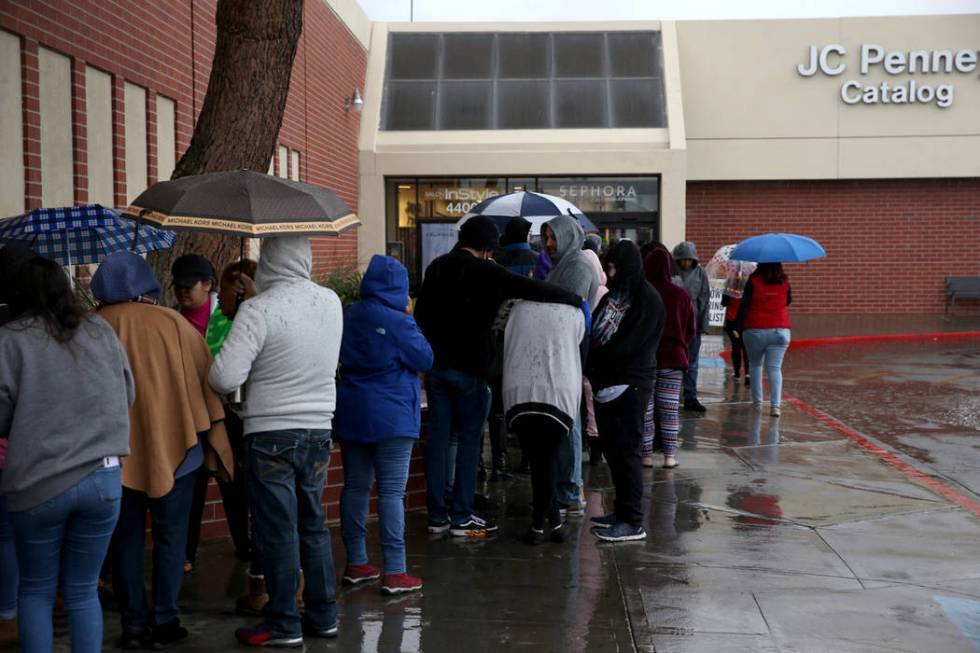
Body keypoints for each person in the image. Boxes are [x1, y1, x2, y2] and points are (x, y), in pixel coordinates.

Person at [92, 251, 233, 650]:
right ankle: (167, 619)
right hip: (179, 452)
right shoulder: (174, 323)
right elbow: (208, 384)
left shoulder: (91, 328)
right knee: (172, 538)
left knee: (125, 541)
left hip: (114, 456)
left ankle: (134, 626)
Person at [209, 236, 343, 648]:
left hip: (270, 433)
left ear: (268, 261)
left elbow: (223, 378)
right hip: (319, 429)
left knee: (277, 530)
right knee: (313, 526)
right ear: (304, 258)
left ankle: (284, 623)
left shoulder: (257, 309)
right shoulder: (331, 302)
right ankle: (323, 616)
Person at [413, 216, 583, 538]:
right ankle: (461, 516)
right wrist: (574, 300)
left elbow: (421, 315)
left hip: (436, 370)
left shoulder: (436, 267)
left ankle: (437, 515)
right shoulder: (487, 271)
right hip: (472, 371)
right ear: (488, 247)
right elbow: (533, 287)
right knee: (467, 442)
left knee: (438, 441)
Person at [0, 246, 133, 653]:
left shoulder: (9, 339)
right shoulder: (100, 331)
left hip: (40, 483)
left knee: (37, 591)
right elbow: (127, 392)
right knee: (81, 590)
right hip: (104, 478)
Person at [334, 255, 433, 594]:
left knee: (355, 488)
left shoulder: (348, 314)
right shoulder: (399, 321)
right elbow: (425, 358)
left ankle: (357, 562)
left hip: (351, 410)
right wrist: (410, 318)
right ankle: (395, 570)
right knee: (391, 493)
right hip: (392, 416)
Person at [171, 254, 252, 574]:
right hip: (188, 413)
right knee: (191, 483)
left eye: (189, 286)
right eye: (177, 286)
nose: (182, 292)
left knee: (234, 480)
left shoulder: (229, 315)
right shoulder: (172, 319)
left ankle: (244, 544)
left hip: (228, 412)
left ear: (208, 285)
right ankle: (186, 553)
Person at [587, 240, 665, 542]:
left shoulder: (647, 300)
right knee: (614, 454)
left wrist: (597, 363)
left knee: (627, 454)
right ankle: (621, 511)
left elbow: (628, 346)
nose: (610, 272)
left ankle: (633, 521)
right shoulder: (619, 295)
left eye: (613, 266)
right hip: (607, 385)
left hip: (630, 385)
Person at [502, 300, 585, 545]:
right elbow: (583, 347)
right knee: (547, 462)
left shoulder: (517, 309)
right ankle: (539, 527)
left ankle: (555, 525)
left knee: (540, 464)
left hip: (519, 391)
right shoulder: (573, 312)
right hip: (558, 392)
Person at [542, 215, 599, 516]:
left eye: (553, 238)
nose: (549, 244)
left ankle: (571, 490)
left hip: (570, 352)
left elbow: (567, 308)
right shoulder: (562, 264)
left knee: (569, 422)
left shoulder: (576, 266)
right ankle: (566, 487)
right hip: (561, 352)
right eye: (546, 238)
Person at [644, 248, 696, 469]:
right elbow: (690, 328)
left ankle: (645, 456)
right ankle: (669, 456)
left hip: (646, 360)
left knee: (645, 411)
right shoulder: (681, 295)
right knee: (669, 409)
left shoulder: (642, 293)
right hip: (673, 359)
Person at [735, 263, 792, 417]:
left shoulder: (753, 281)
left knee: (755, 365)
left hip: (755, 329)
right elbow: (788, 301)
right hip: (780, 329)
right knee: (774, 368)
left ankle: (757, 403)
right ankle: (775, 406)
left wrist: (737, 325)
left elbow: (745, 304)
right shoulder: (784, 280)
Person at [672, 241, 710, 412]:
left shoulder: (700, 273)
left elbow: (704, 299)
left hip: (693, 323)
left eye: (689, 260)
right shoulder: (672, 272)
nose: (686, 263)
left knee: (692, 362)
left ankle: (690, 396)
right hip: (674, 323)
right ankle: (672, 394)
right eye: (683, 260)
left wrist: (703, 324)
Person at [581, 248, 607, 466]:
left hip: (582, 350)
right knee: (592, 399)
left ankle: (588, 438)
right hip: (598, 354)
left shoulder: (579, 289)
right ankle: (596, 443)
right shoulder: (606, 292)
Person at [721, 293, 749, 386]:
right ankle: (747, 374)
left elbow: (724, 302)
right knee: (746, 347)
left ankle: (737, 373)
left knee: (736, 346)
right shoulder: (749, 284)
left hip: (732, 319)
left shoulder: (731, 287)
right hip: (746, 319)